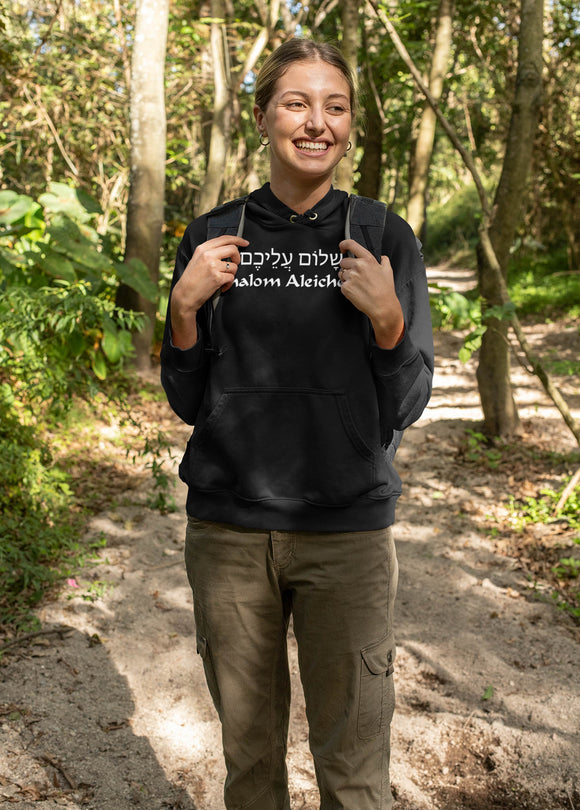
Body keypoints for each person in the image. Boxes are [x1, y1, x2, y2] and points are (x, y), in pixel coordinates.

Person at [161, 37, 434, 810]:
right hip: (229, 534)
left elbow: (408, 404)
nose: (318, 122)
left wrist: (387, 321)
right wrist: (183, 309)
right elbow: (187, 401)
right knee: (250, 770)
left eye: (336, 107)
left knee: (353, 773)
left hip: (346, 532)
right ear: (263, 116)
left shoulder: (384, 236)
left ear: (349, 125)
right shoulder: (214, 234)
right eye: (297, 102)